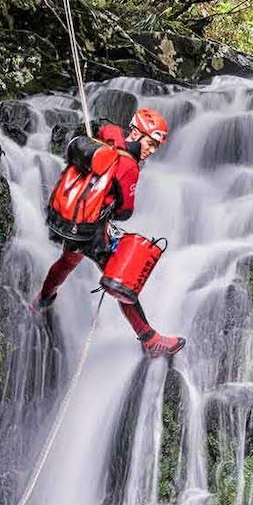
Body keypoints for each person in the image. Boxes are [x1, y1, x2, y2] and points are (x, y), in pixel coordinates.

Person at [34, 108, 186, 359]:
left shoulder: (106, 142)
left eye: (156, 146)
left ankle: (41, 301)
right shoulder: (128, 166)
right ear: (136, 132)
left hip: (69, 221)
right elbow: (125, 211)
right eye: (150, 142)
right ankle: (150, 339)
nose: (151, 150)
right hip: (89, 230)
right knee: (122, 280)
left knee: (68, 261)